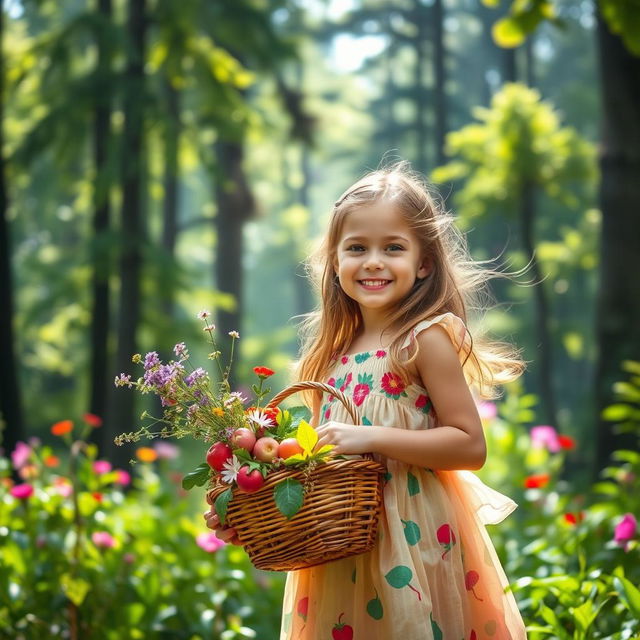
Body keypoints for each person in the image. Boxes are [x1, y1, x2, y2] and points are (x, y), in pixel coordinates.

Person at [204, 163, 527, 639]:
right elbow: (309, 464)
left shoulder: (424, 338)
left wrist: (370, 436)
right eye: (357, 248)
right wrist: (247, 506)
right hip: (340, 552)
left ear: (424, 263)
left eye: (392, 248)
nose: (373, 261)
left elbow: (469, 446)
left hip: (413, 540)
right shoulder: (329, 355)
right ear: (334, 261)